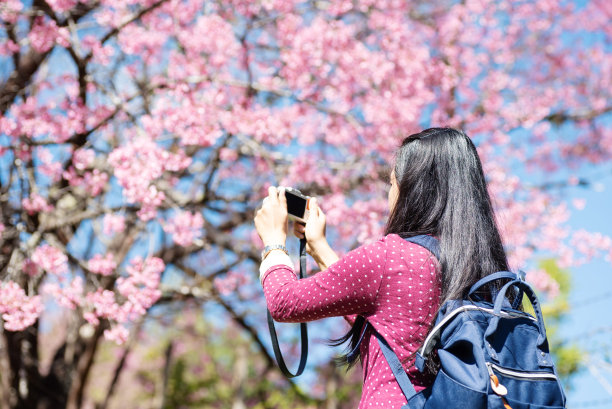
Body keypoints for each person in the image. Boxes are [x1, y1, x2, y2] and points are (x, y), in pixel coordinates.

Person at [254, 128, 510, 408]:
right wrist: (321, 249)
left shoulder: (391, 256)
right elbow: (391, 324)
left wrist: (273, 243)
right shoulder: (488, 276)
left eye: (392, 183)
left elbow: (284, 302)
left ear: (413, 189)